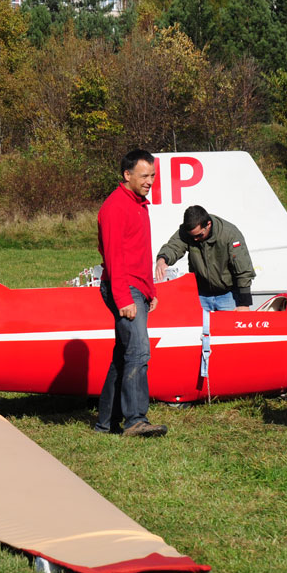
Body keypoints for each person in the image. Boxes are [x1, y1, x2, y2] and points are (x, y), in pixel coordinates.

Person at [95, 150, 167, 437]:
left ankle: (106, 423)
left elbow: (140, 253)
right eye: (144, 176)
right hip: (123, 287)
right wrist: (124, 298)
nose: (150, 181)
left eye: (152, 176)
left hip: (137, 287)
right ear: (127, 175)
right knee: (138, 351)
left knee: (124, 355)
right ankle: (135, 420)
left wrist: (150, 289)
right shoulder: (115, 207)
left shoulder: (139, 205)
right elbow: (114, 258)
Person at [154, 205, 255, 311]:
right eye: (192, 237)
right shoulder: (188, 232)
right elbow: (173, 246)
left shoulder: (230, 234)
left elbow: (243, 270)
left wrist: (244, 303)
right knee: (200, 327)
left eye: (199, 235)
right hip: (200, 295)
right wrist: (162, 259)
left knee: (226, 327)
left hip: (228, 295)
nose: (196, 239)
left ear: (208, 224)